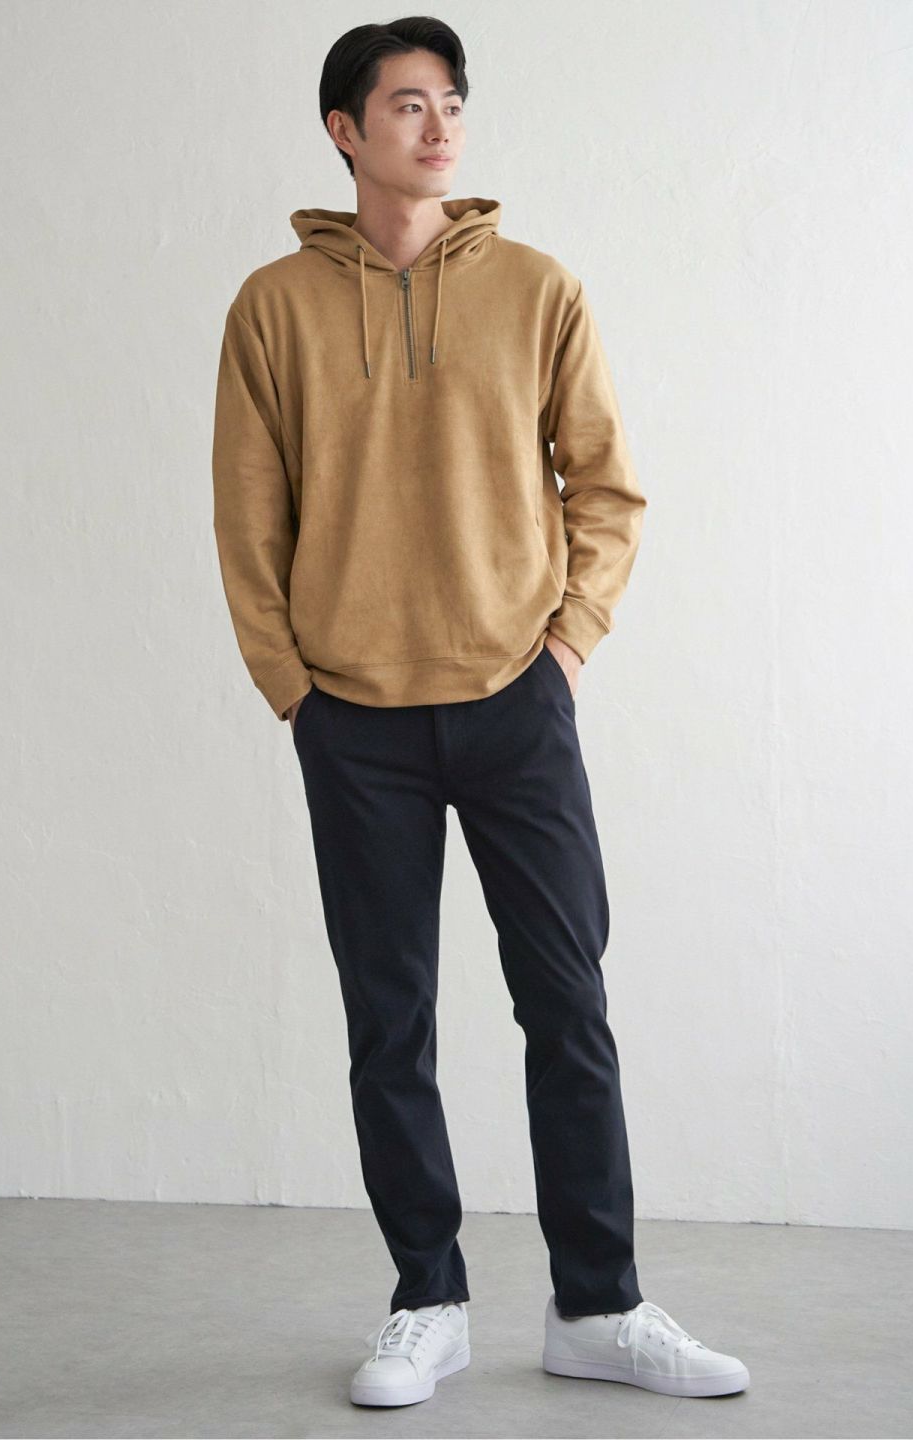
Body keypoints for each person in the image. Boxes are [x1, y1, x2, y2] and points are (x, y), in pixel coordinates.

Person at [211, 14, 750, 1410]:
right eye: (408, 104)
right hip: (355, 721)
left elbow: (606, 488)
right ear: (345, 130)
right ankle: (427, 1299)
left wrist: (564, 650)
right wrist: (294, 692)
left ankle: (600, 1306)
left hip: (518, 701)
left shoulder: (538, 289)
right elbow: (247, 519)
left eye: (452, 100)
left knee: (568, 1003)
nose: (441, 124)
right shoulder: (272, 309)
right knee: (389, 1021)